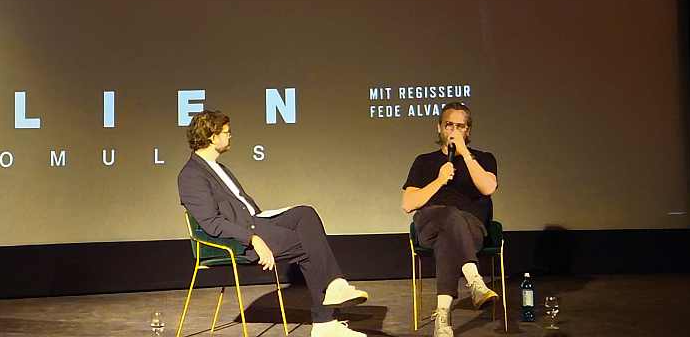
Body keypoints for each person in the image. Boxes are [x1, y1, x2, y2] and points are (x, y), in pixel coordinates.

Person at [177, 109, 369, 337]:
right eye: (226, 132)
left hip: (256, 222)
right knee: (308, 246)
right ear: (212, 137)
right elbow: (212, 223)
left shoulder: (219, 168)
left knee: (305, 214)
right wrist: (253, 239)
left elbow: (241, 207)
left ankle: (335, 288)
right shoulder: (191, 175)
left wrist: (267, 218)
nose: (230, 136)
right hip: (239, 238)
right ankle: (326, 318)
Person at [401, 101, 499, 337]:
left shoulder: (484, 158)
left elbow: (488, 188)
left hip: (470, 229)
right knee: (449, 214)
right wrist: (439, 180)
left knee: (449, 238)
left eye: (460, 126)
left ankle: (442, 317)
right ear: (439, 128)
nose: (454, 131)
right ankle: (474, 280)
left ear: (468, 131)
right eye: (449, 125)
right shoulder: (424, 161)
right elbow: (408, 204)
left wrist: (464, 153)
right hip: (430, 225)